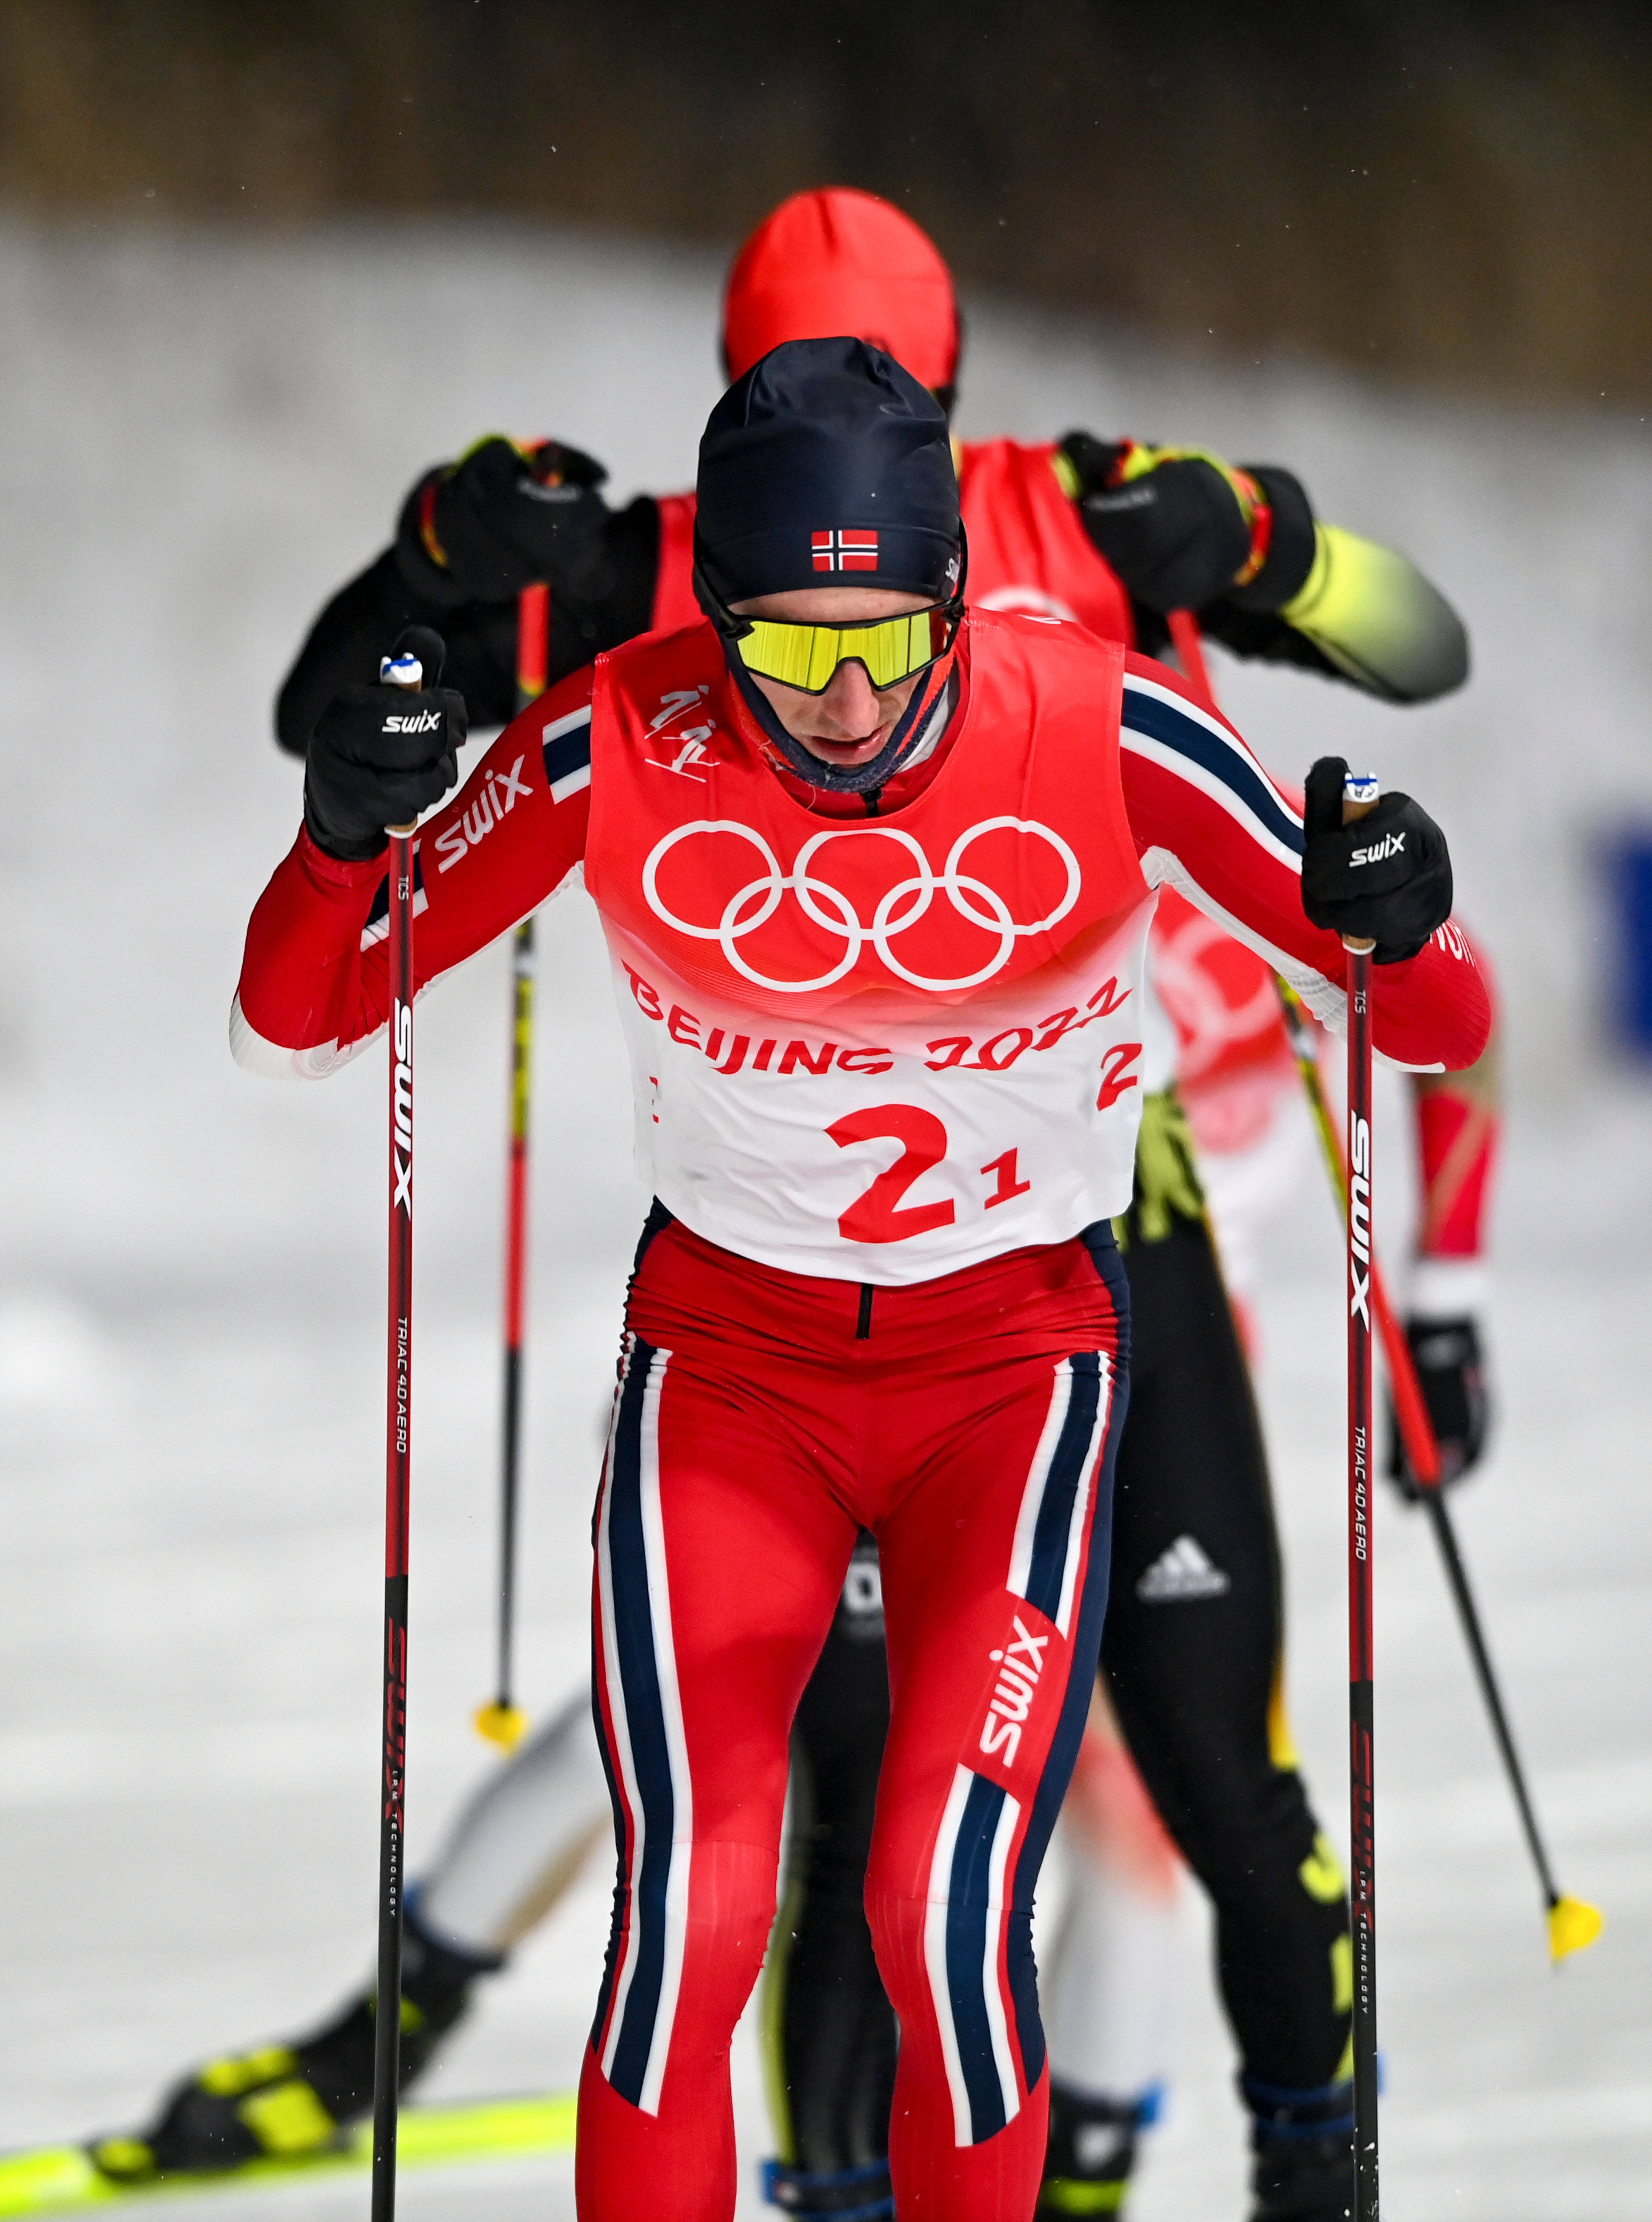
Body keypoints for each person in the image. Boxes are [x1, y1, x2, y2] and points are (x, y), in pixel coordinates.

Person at [106, 192, 1499, 2222]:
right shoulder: (638, 639)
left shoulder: (1090, 595)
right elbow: (311, 955)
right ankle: (667, 2104)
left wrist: (1293, 584)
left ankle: (1274, 2145)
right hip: (737, 1371)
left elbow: (1423, 913)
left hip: (1027, 1336)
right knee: (713, 1898)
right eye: (783, 648)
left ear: (940, 441)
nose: (838, 704)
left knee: (988, 1881)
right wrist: (359, 772)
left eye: (881, 640)